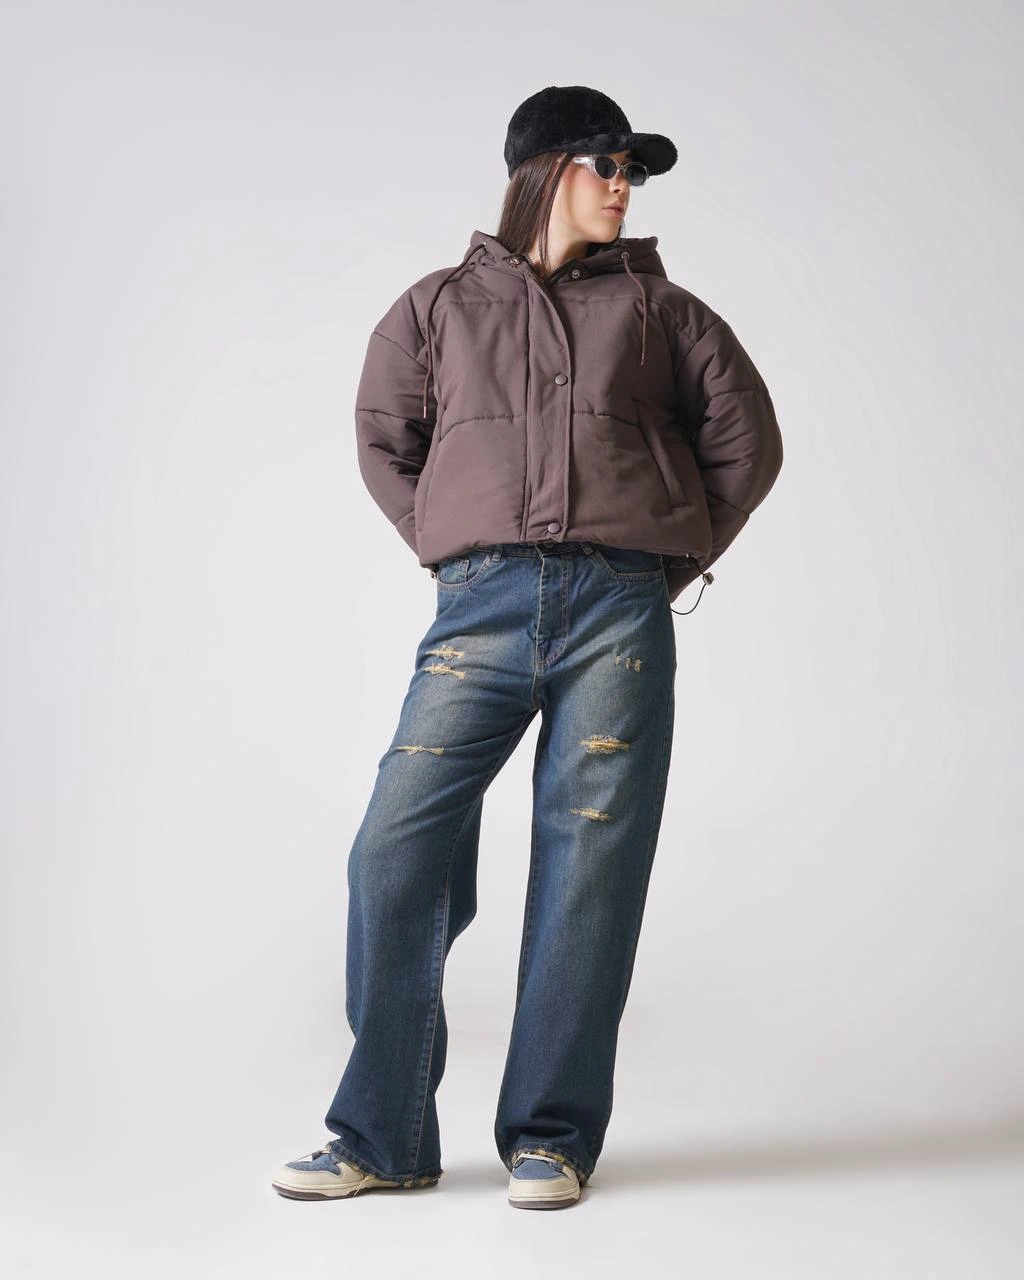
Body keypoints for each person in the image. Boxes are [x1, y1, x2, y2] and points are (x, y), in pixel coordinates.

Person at [271, 84, 783, 1210]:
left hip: (618, 614)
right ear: (544, 170)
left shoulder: (664, 313)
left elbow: (748, 441)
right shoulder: (435, 307)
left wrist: (661, 560)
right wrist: (454, 546)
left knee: (590, 868)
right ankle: (382, 1134)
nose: (623, 186)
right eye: (607, 164)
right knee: (394, 848)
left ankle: (551, 1135)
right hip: (480, 610)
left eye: (633, 172)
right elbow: (385, 438)